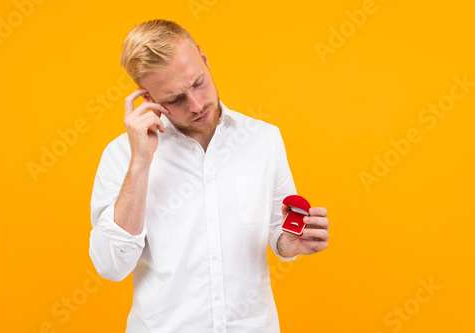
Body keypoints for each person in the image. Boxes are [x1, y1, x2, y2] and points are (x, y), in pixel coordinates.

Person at [89, 19, 330, 333]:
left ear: (203, 58)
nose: (197, 104)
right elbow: (111, 267)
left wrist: (292, 243)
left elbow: (277, 235)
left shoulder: (264, 139)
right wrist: (140, 164)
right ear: (147, 98)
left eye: (198, 82)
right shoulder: (122, 155)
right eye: (174, 99)